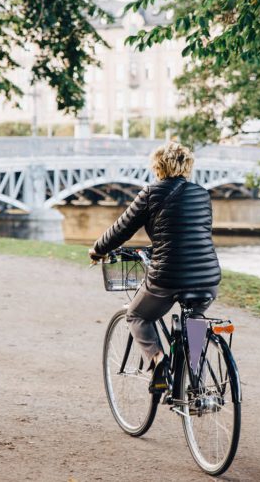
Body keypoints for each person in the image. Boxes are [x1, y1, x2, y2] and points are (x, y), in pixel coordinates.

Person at [89, 142, 221, 393]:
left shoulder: (152, 193)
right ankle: (196, 384)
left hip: (169, 275)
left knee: (137, 315)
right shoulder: (202, 194)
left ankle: (158, 360)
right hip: (208, 277)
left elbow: (121, 229)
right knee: (194, 320)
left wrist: (97, 250)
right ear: (188, 167)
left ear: (158, 167)